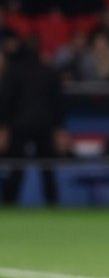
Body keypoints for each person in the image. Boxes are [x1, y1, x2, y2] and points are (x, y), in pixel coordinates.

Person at [0, 35, 72, 206]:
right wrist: (59, 127)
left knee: (16, 168)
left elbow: (6, 101)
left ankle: (9, 205)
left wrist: (3, 126)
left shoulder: (13, 72)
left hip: (19, 126)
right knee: (47, 169)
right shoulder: (50, 72)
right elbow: (59, 103)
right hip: (45, 126)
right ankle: (52, 205)